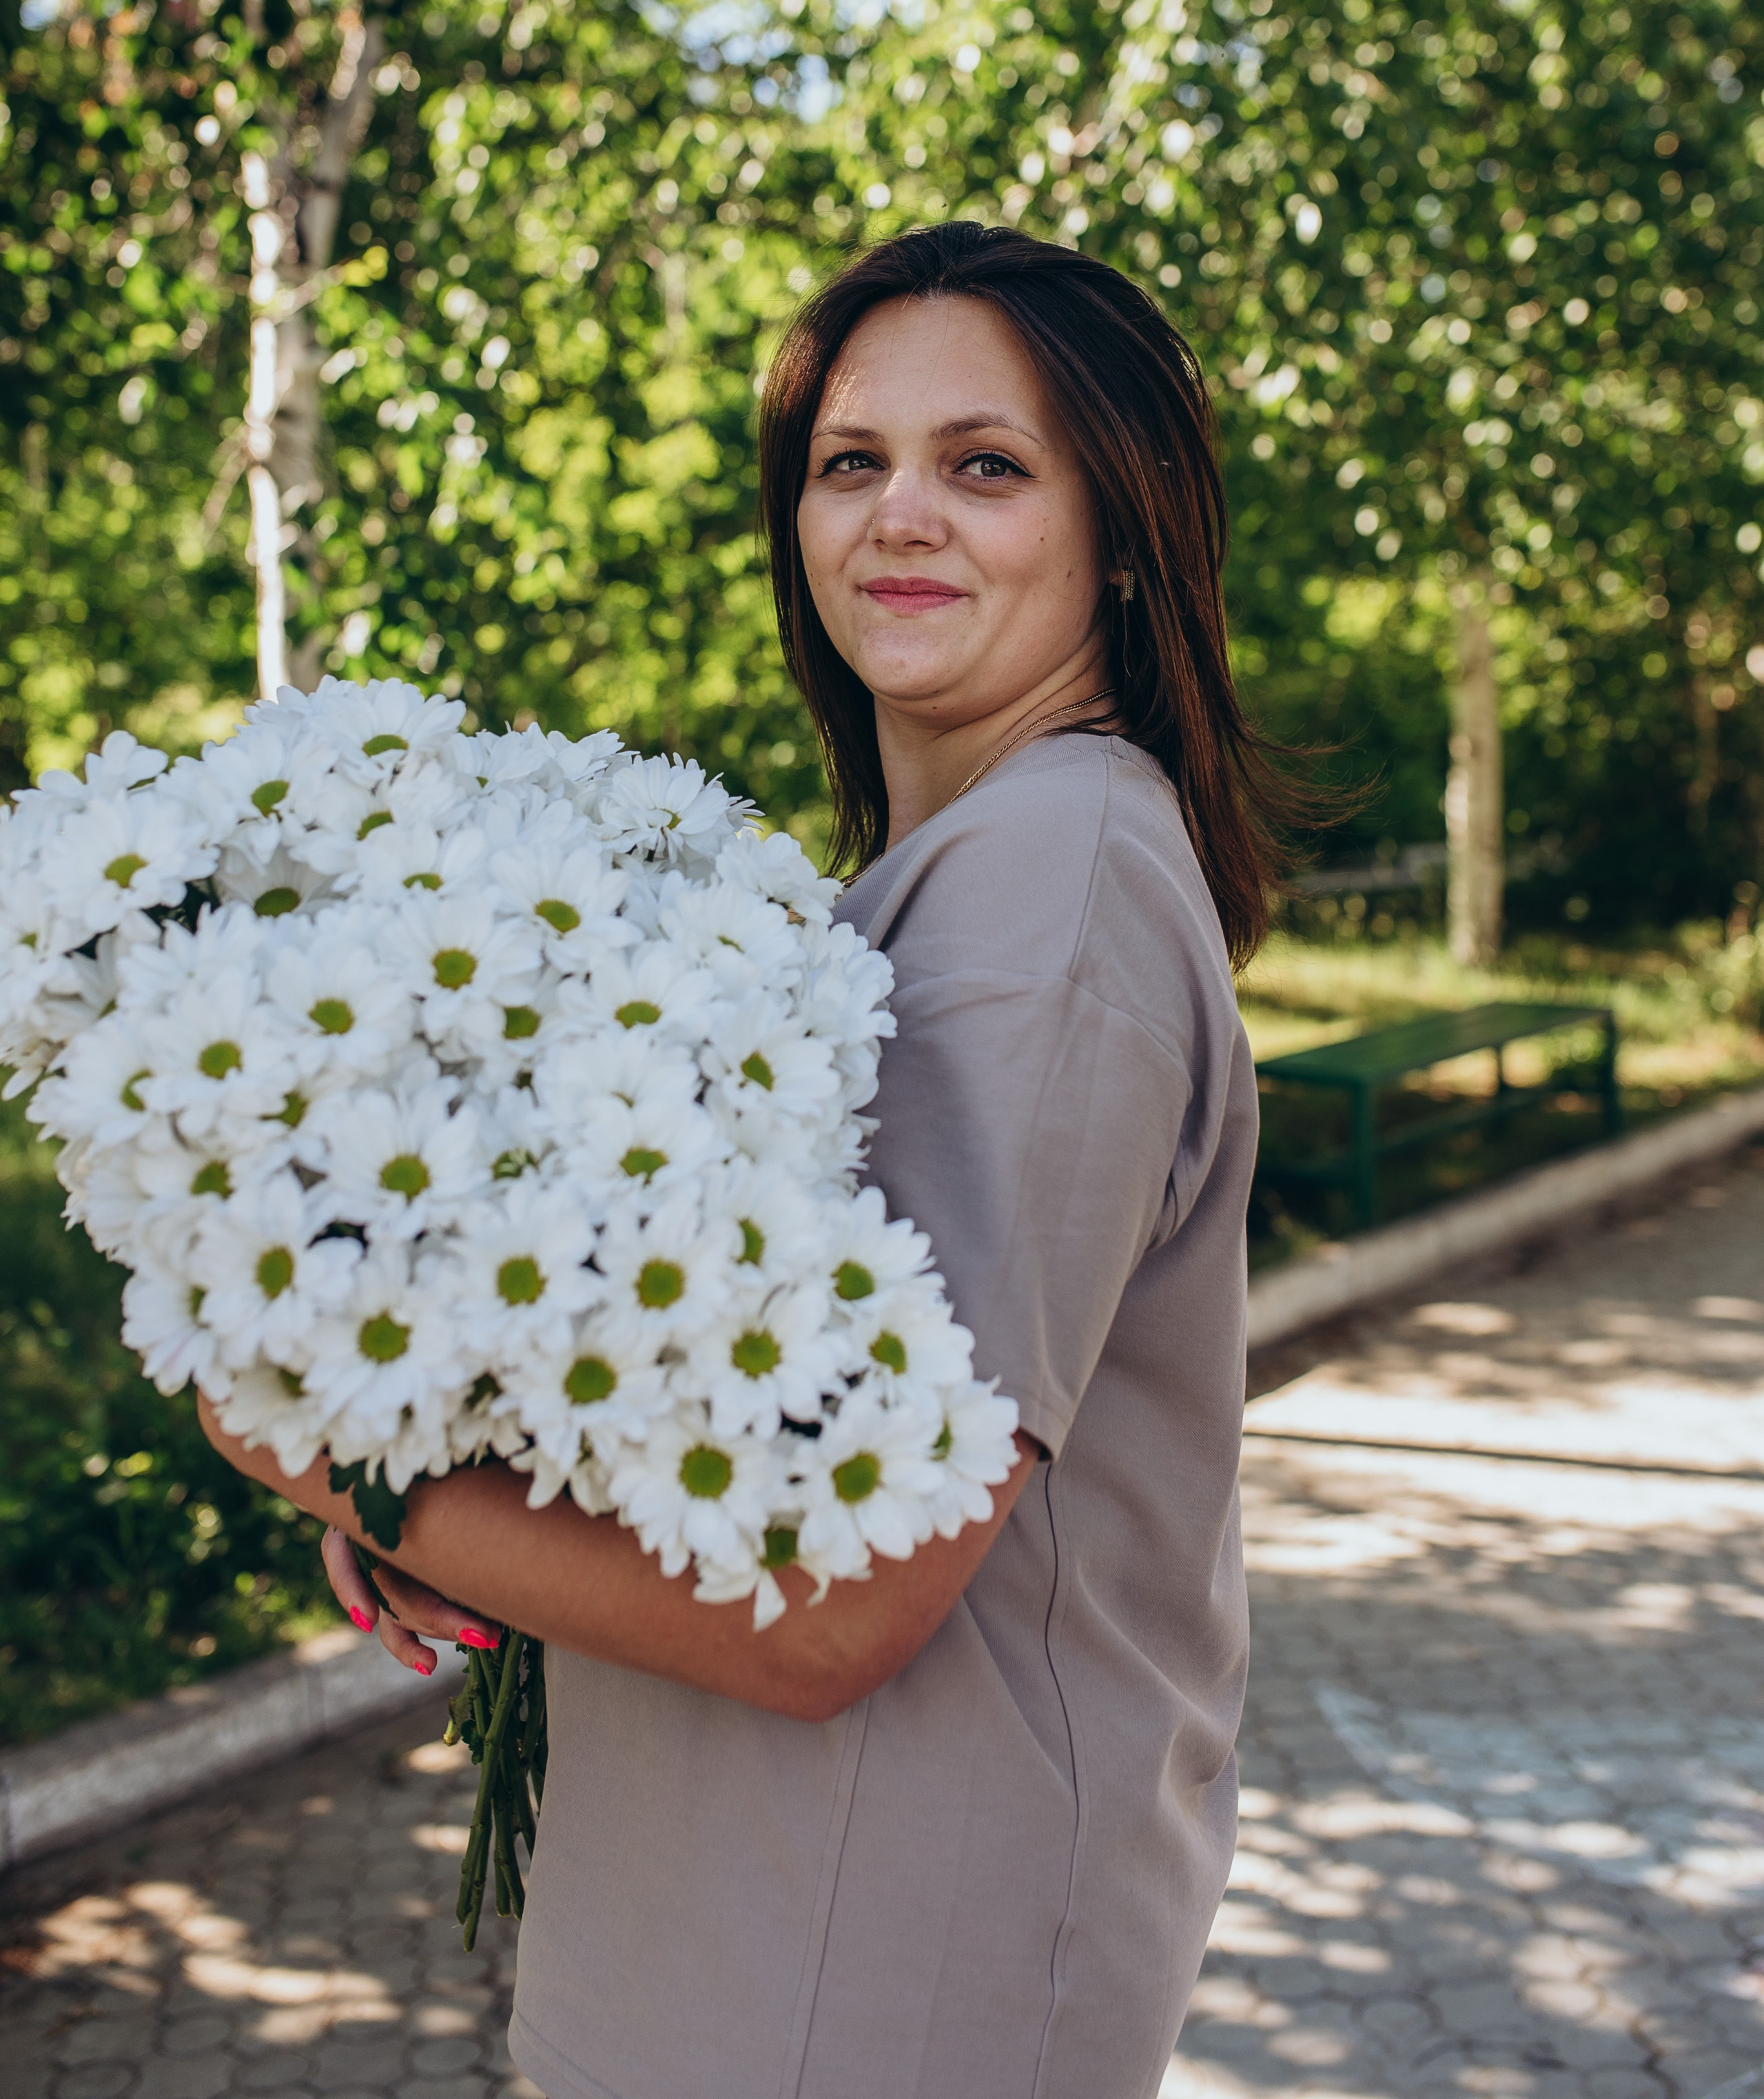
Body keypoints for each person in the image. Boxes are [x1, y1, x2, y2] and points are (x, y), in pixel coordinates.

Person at [201, 220, 1294, 2099]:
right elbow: (770, 1442)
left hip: (861, 1983)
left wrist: (334, 1457)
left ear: (1122, 535)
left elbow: (844, 1612)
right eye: (849, 463)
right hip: (762, 1939)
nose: (899, 518)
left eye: (988, 466)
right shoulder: (941, 883)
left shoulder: (1055, 893)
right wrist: (477, 1494)